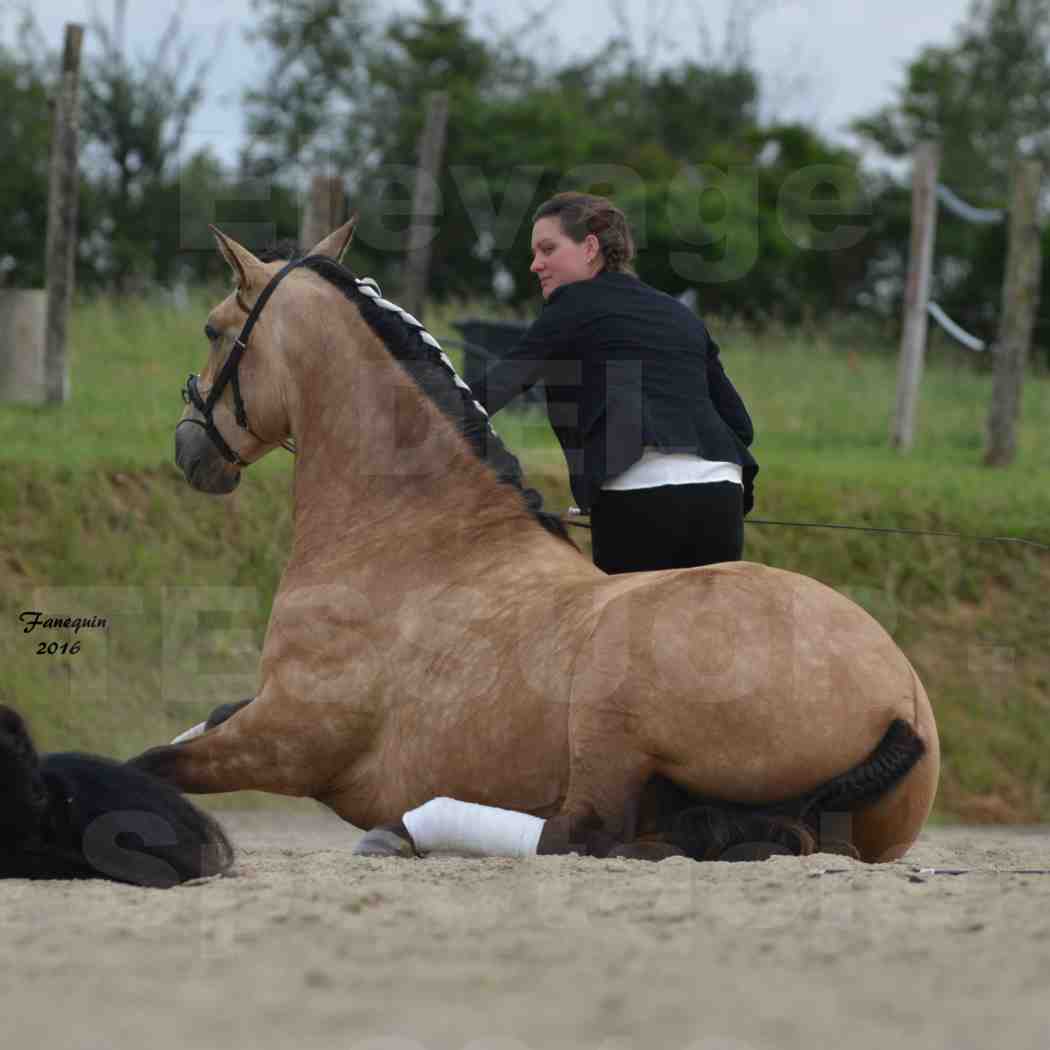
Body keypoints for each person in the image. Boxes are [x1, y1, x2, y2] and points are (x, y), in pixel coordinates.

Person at [474, 191, 758, 574]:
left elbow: (494, 390)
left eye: (547, 249)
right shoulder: (679, 314)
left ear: (590, 247)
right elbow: (740, 423)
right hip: (721, 494)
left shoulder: (570, 305)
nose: (535, 264)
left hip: (637, 500)